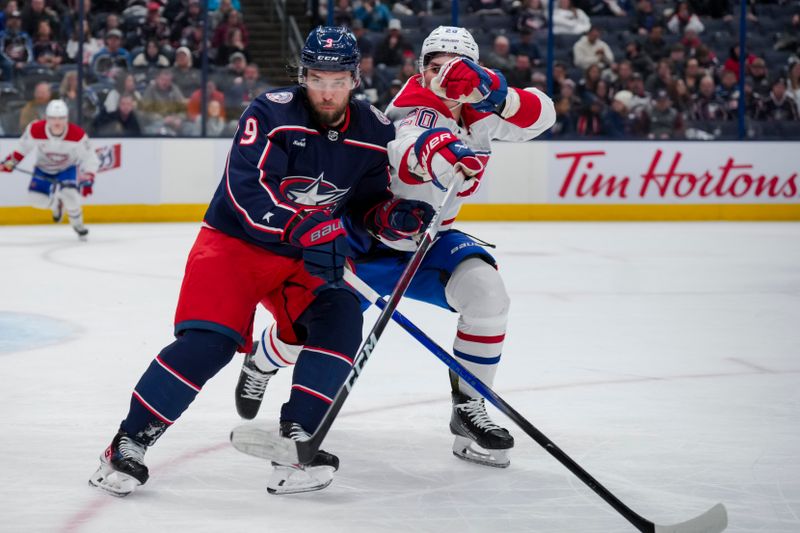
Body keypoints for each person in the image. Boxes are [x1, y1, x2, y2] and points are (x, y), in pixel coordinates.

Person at [86, 25, 431, 498]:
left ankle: (298, 440)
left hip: (301, 254)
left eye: (337, 80)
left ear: (355, 78)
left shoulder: (375, 130)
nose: (326, 90)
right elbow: (245, 187)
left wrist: (392, 215)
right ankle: (127, 443)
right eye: (316, 78)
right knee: (208, 345)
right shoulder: (270, 111)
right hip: (234, 245)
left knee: (341, 314)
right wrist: (301, 226)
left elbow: (365, 202)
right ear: (302, 75)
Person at [234, 26, 555, 473]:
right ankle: (261, 362)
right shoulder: (411, 106)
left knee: (487, 295)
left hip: (427, 243)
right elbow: (406, 147)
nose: (444, 77)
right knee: (308, 334)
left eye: (455, 69)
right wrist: (439, 152)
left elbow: (543, 116)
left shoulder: (479, 110)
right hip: (368, 241)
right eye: (434, 67)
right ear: (421, 70)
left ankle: (468, 411)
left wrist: (495, 91)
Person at [1, 99, 98, 239]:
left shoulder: (77, 135)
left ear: (67, 118)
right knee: (34, 200)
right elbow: (23, 148)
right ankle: (56, 205)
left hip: (67, 168)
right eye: (53, 118)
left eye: (61, 118)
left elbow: (90, 157)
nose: (57, 122)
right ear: (46, 118)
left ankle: (78, 225)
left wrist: (89, 175)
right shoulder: (35, 129)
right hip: (43, 169)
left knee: (71, 197)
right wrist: (11, 162)